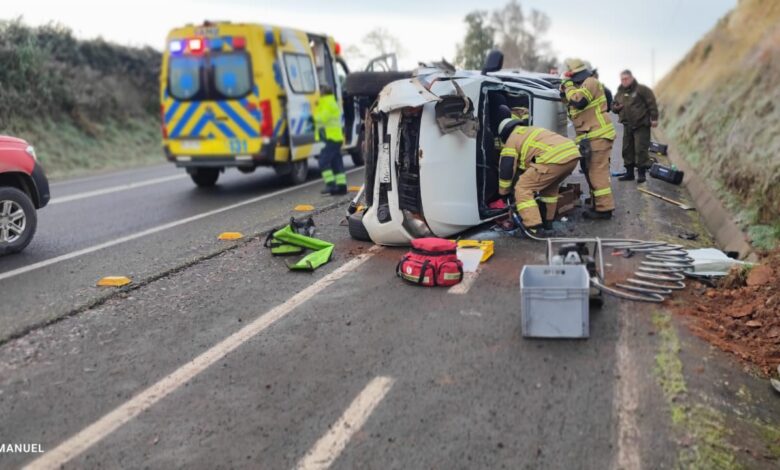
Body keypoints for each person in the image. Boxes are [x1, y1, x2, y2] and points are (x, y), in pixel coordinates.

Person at [496, 106, 580, 231]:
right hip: (572, 155)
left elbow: (506, 168)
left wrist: (503, 192)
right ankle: (547, 222)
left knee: (523, 188)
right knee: (549, 189)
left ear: (504, 134)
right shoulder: (530, 130)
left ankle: (532, 224)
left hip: (554, 159)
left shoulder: (511, 140)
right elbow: (535, 156)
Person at [560, 58, 616, 220]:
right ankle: (597, 202)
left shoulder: (590, 82)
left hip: (598, 135)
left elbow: (579, 102)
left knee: (597, 172)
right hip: (590, 137)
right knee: (589, 170)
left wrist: (568, 86)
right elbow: (570, 102)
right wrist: (564, 90)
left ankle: (604, 209)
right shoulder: (581, 87)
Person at [612, 69, 659, 183]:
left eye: (626, 79)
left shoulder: (642, 89)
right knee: (627, 149)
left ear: (631, 78)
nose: (624, 81)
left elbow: (651, 103)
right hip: (627, 125)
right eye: (622, 79)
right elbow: (613, 106)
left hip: (641, 125)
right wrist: (616, 108)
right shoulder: (620, 92)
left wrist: (654, 118)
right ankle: (629, 173)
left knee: (640, 150)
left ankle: (641, 174)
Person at [313, 85, 346, 195]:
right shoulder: (330, 102)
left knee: (323, 161)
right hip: (334, 138)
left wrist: (311, 118)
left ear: (323, 93)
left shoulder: (327, 103)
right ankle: (341, 187)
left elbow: (322, 118)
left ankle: (331, 185)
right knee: (336, 163)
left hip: (332, 138)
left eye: (319, 91)